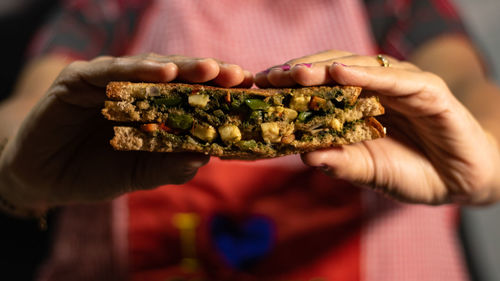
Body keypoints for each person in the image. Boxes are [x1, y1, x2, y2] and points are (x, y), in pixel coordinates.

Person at [1, 0, 500, 280]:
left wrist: (487, 159)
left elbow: (469, 88)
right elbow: (32, 102)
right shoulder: (108, 7)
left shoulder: (396, 6)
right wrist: (17, 173)